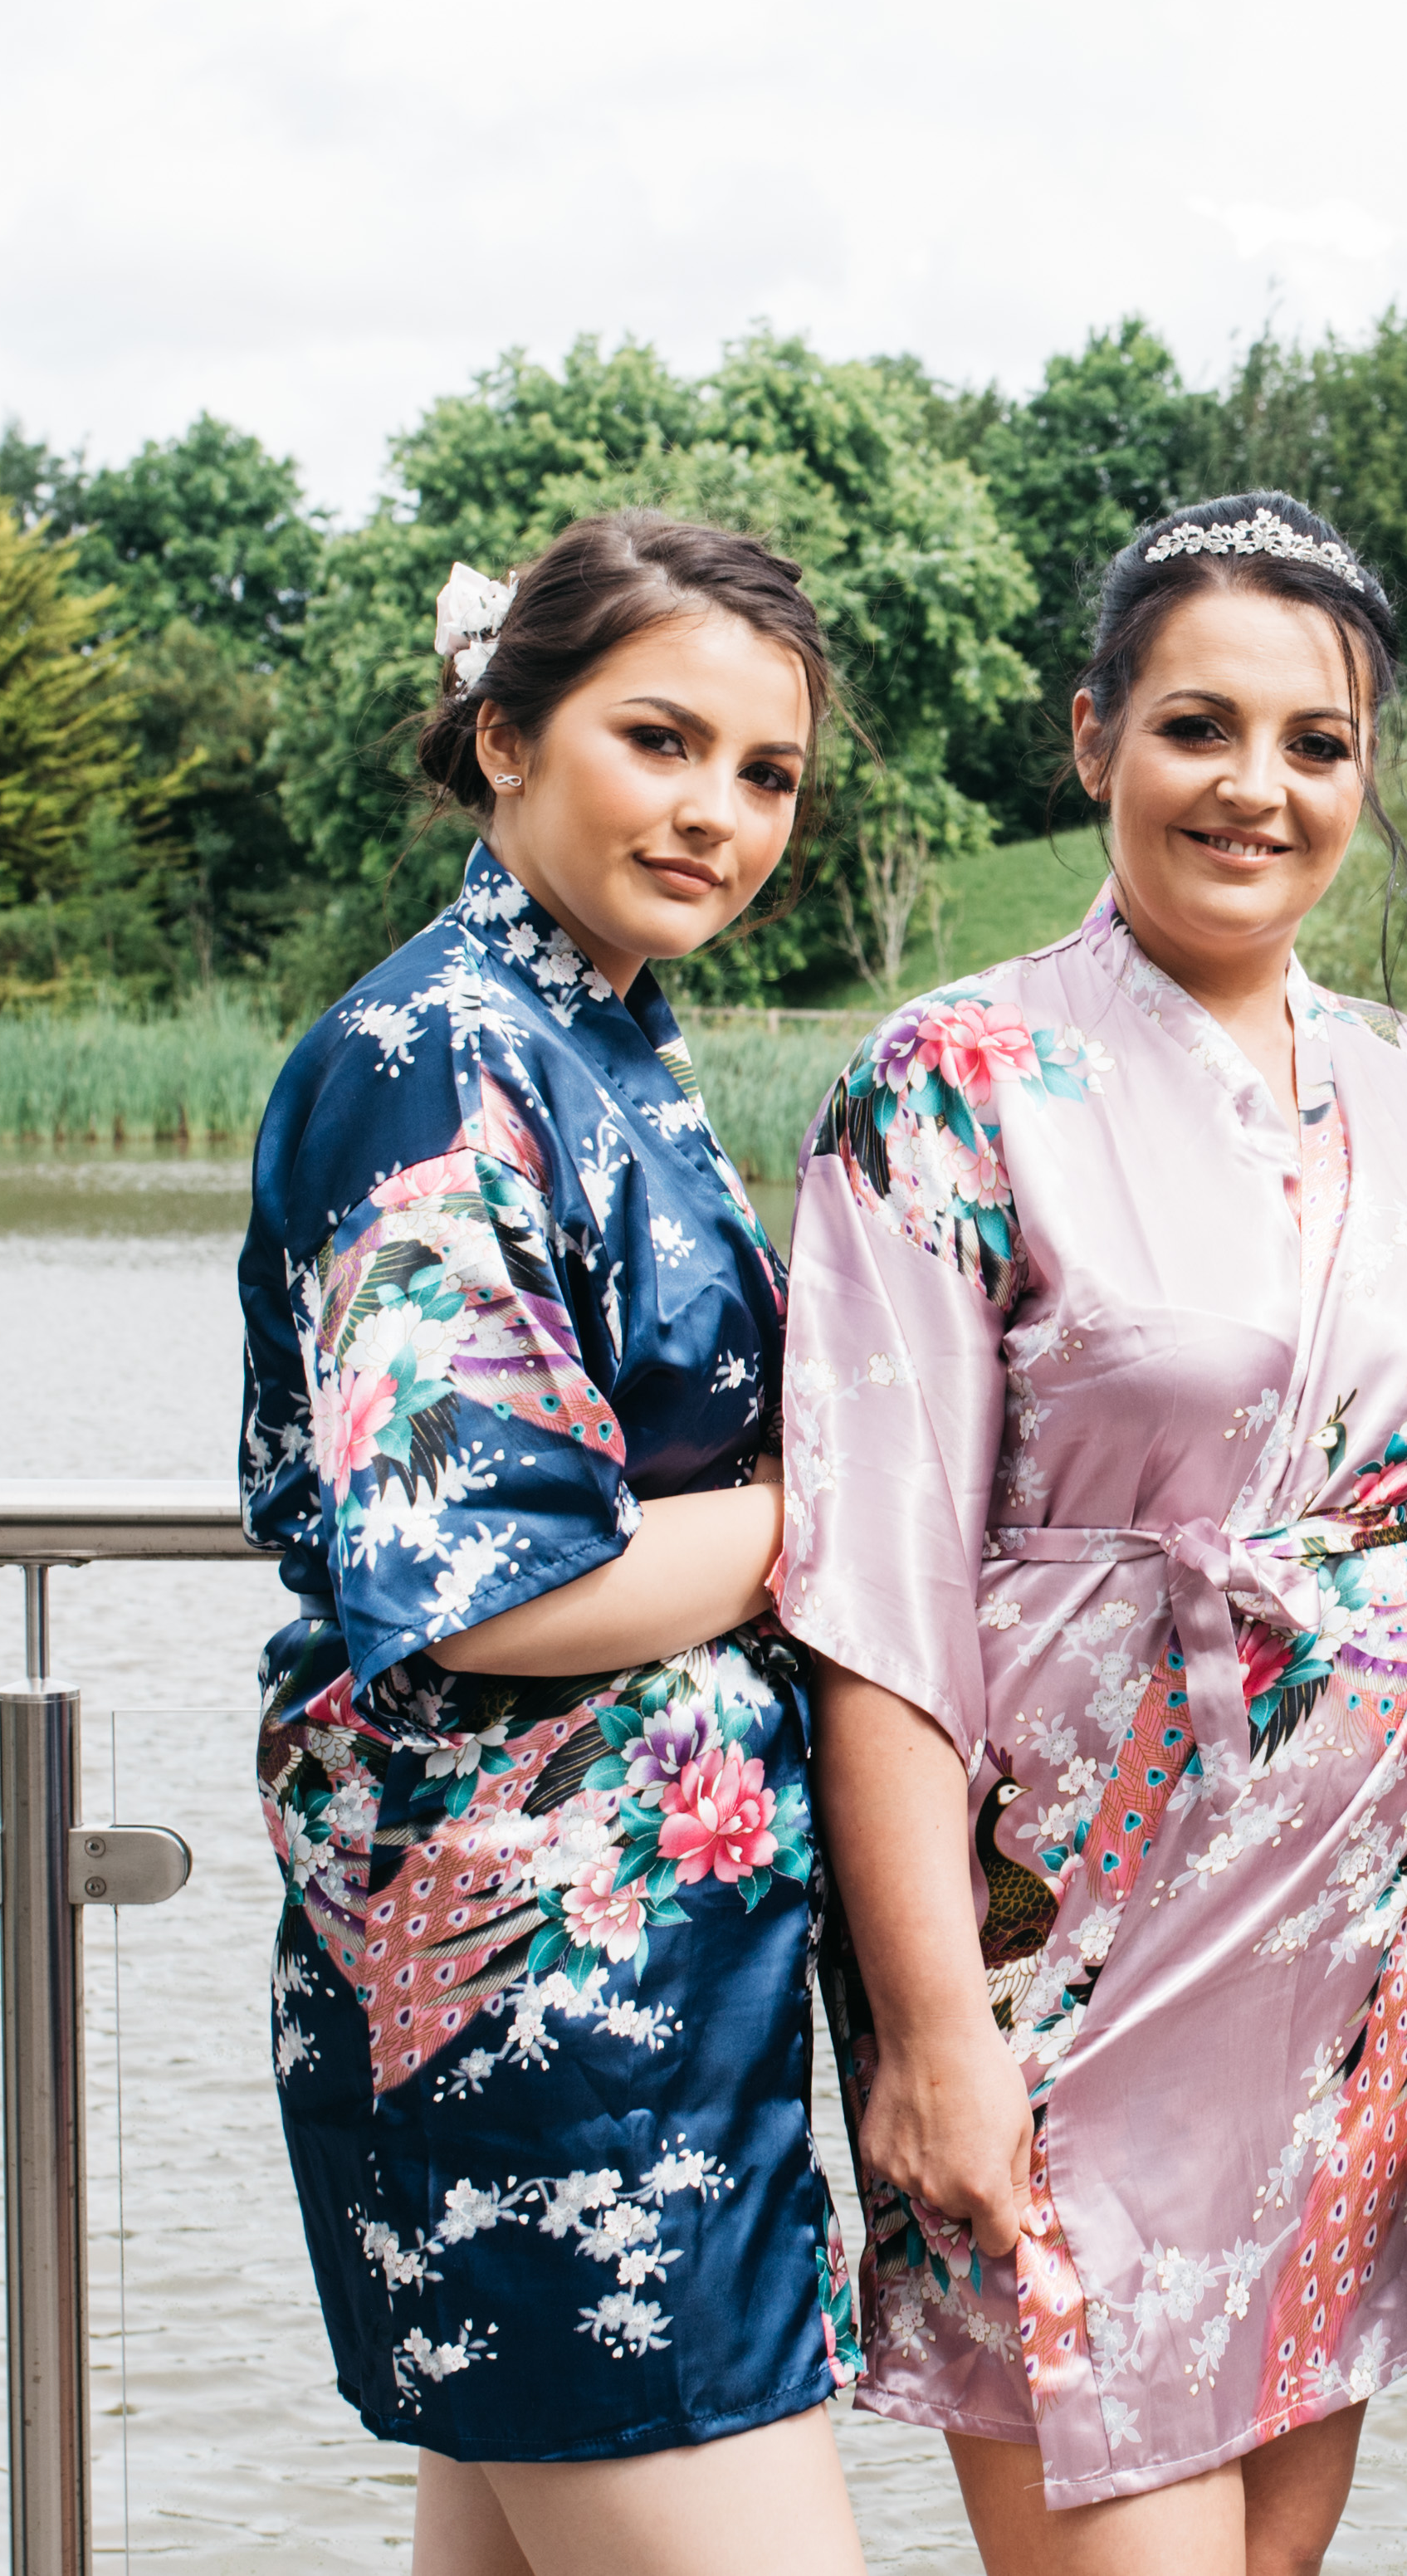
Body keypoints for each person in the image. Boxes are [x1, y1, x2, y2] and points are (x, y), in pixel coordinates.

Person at [777, 492, 1407, 2576]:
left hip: (1350, 1964)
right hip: (1071, 1944)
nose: (1259, 787)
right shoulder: (950, 1079)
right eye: (1199, 727)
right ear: (1094, 739)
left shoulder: (1406, 1083)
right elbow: (872, 1598)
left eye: (1318, 743)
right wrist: (933, 2029)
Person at [238, 513, 864, 2576]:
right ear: (504, 736)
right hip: (531, 2013)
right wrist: (834, 1517)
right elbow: (491, 1585)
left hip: (641, 1995)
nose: (717, 814)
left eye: (765, 773)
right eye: (658, 741)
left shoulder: (595, 1031)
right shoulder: (435, 1061)